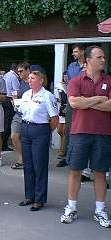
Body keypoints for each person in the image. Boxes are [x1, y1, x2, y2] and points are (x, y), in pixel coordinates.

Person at [60, 46, 111, 228]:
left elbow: (110, 106)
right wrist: (99, 98)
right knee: (75, 171)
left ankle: (100, 210)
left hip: (103, 133)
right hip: (80, 132)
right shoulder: (76, 80)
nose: (103, 60)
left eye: (104, 57)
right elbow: (74, 102)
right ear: (89, 60)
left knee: (100, 173)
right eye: (100, 57)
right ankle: (71, 207)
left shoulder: (109, 81)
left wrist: (86, 102)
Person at [16, 66, 58, 211]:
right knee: (28, 165)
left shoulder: (47, 96)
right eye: (29, 78)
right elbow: (21, 111)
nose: (29, 80)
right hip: (26, 129)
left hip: (40, 130)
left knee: (39, 165)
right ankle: (29, 196)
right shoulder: (26, 94)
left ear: (41, 80)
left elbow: (54, 118)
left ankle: (39, 199)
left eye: (33, 78)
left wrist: (45, 131)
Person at [56, 44, 85, 168]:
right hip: (71, 100)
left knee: (82, 129)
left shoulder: (89, 65)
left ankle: (81, 160)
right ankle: (67, 157)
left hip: (84, 101)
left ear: (83, 52)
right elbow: (70, 81)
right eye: (73, 51)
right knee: (68, 129)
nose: (73, 54)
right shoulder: (71, 66)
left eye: (76, 51)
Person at [10, 62, 30, 170]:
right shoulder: (21, 82)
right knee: (14, 136)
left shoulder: (33, 82)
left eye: (21, 71)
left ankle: (27, 160)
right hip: (19, 113)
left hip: (29, 115)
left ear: (28, 70)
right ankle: (22, 159)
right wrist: (15, 100)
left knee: (28, 139)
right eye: (18, 72)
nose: (19, 73)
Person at [2, 63, 19, 151]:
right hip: (10, 100)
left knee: (5, 122)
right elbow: (15, 91)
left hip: (4, 100)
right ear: (16, 69)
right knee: (9, 123)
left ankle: (3, 143)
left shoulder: (5, 75)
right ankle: (4, 144)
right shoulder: (14, 77)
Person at [55, 72, 68, 160]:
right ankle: (63, 149)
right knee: (59, 131)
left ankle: (62, 151)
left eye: (67, 76)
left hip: (68, 110)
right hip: (61, 110)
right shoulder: (60, 85)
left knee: (64, 132)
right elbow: (58, 99)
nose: (65, 78)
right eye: (64, 76)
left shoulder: (72, 85)